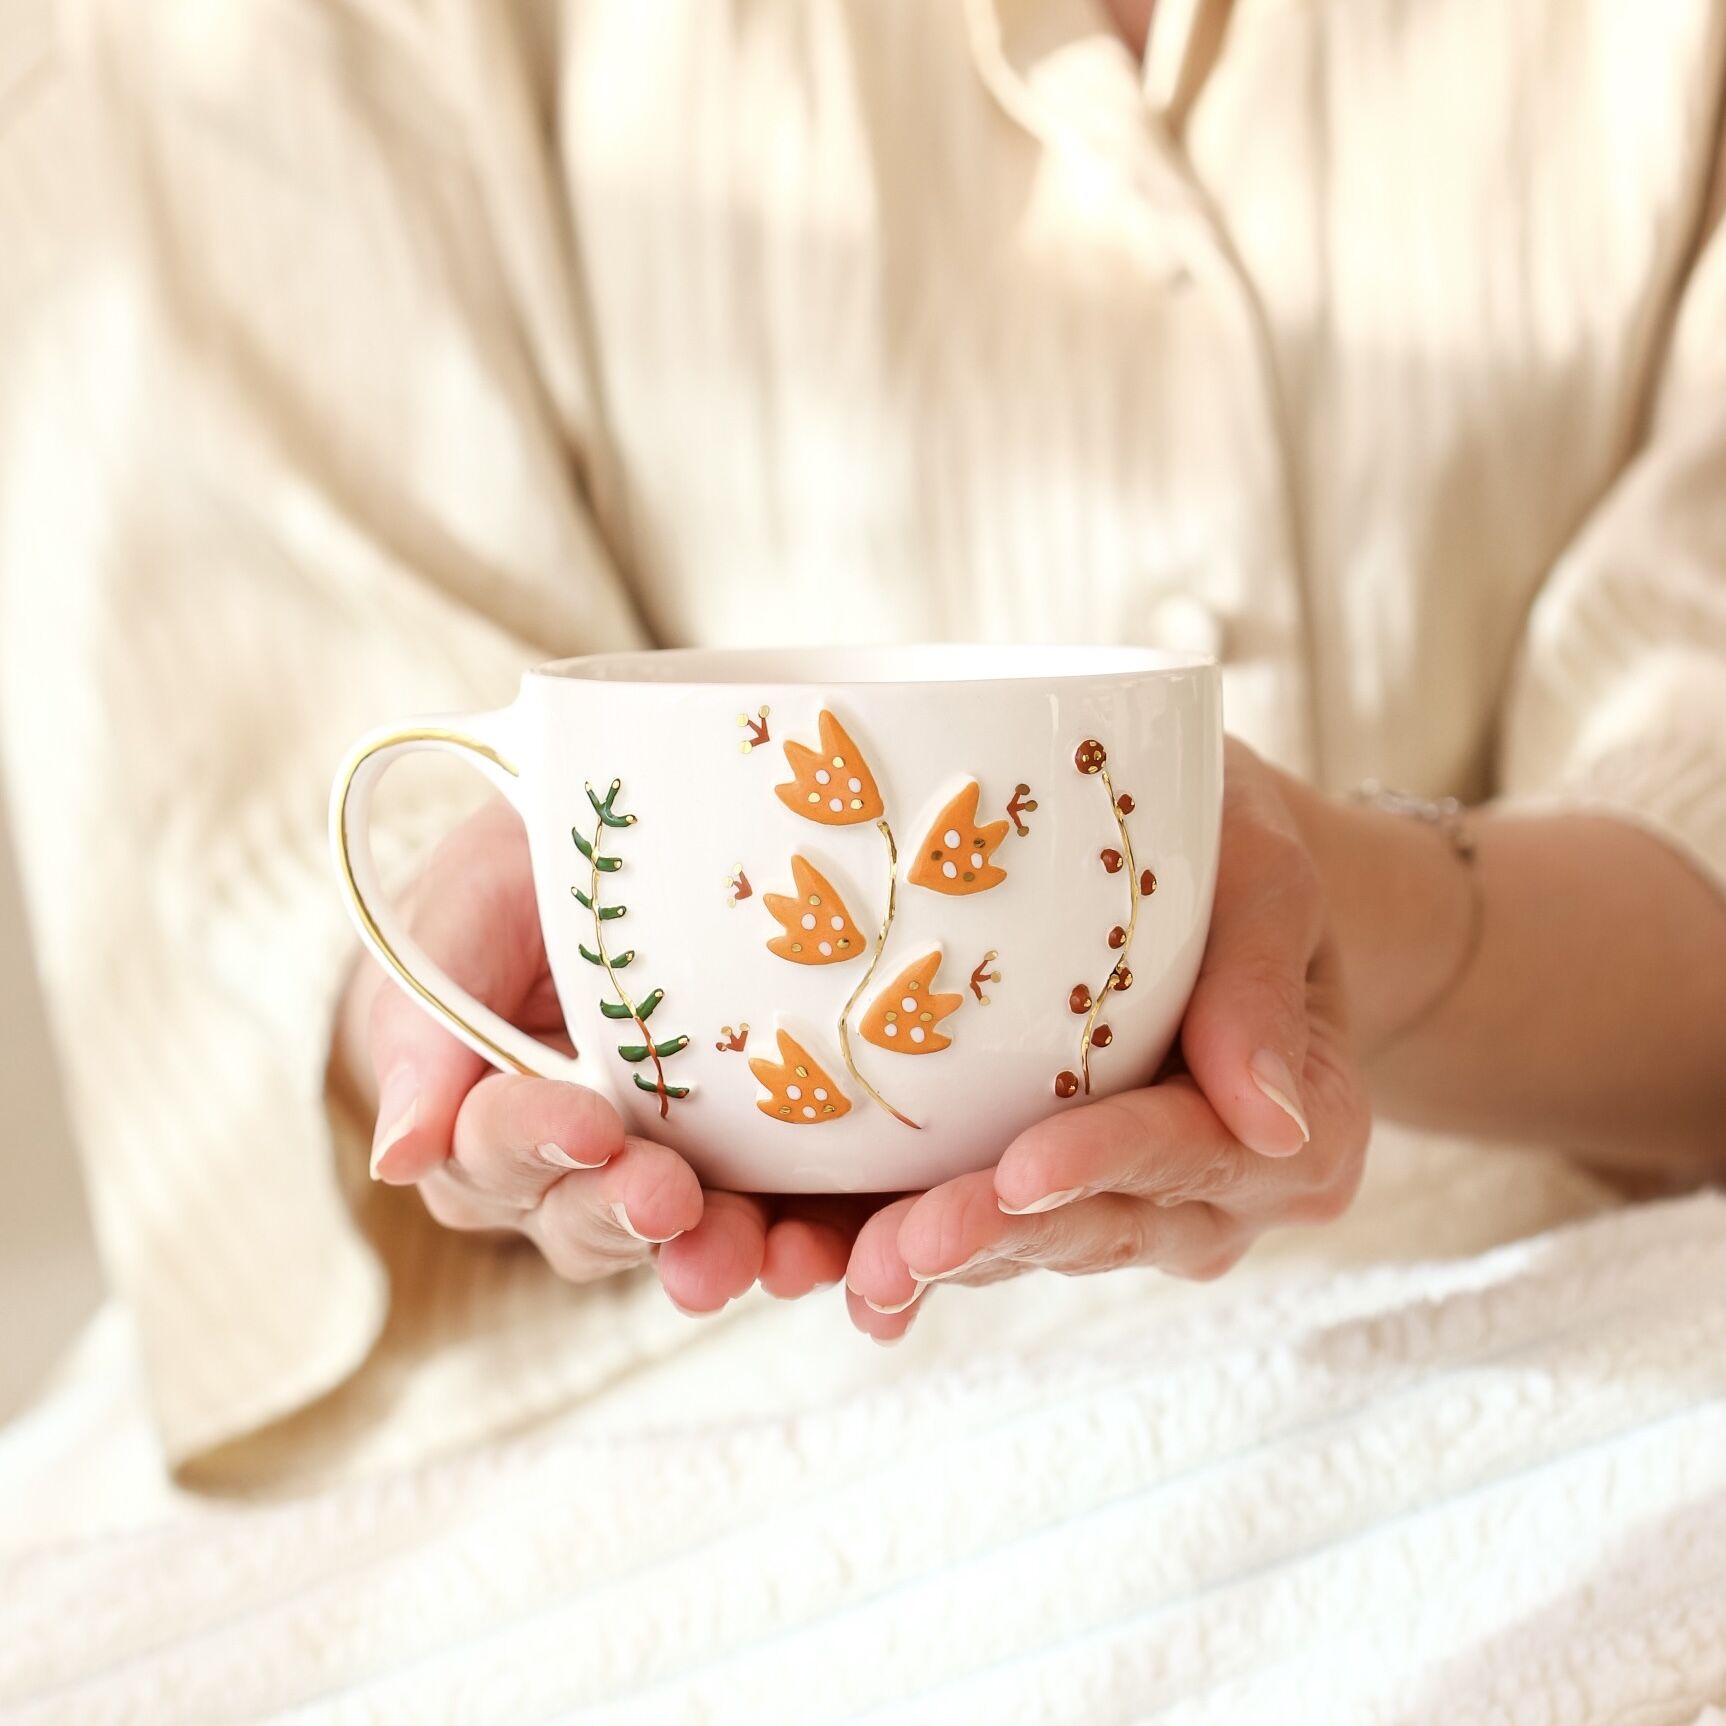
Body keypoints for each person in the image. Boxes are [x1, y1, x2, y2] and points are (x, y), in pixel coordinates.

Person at [2, 0, 1723, 1481]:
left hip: (1562, 1307)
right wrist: (445, 1015)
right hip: (632, 1412)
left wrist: (1364, 917)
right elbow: (268, 641)